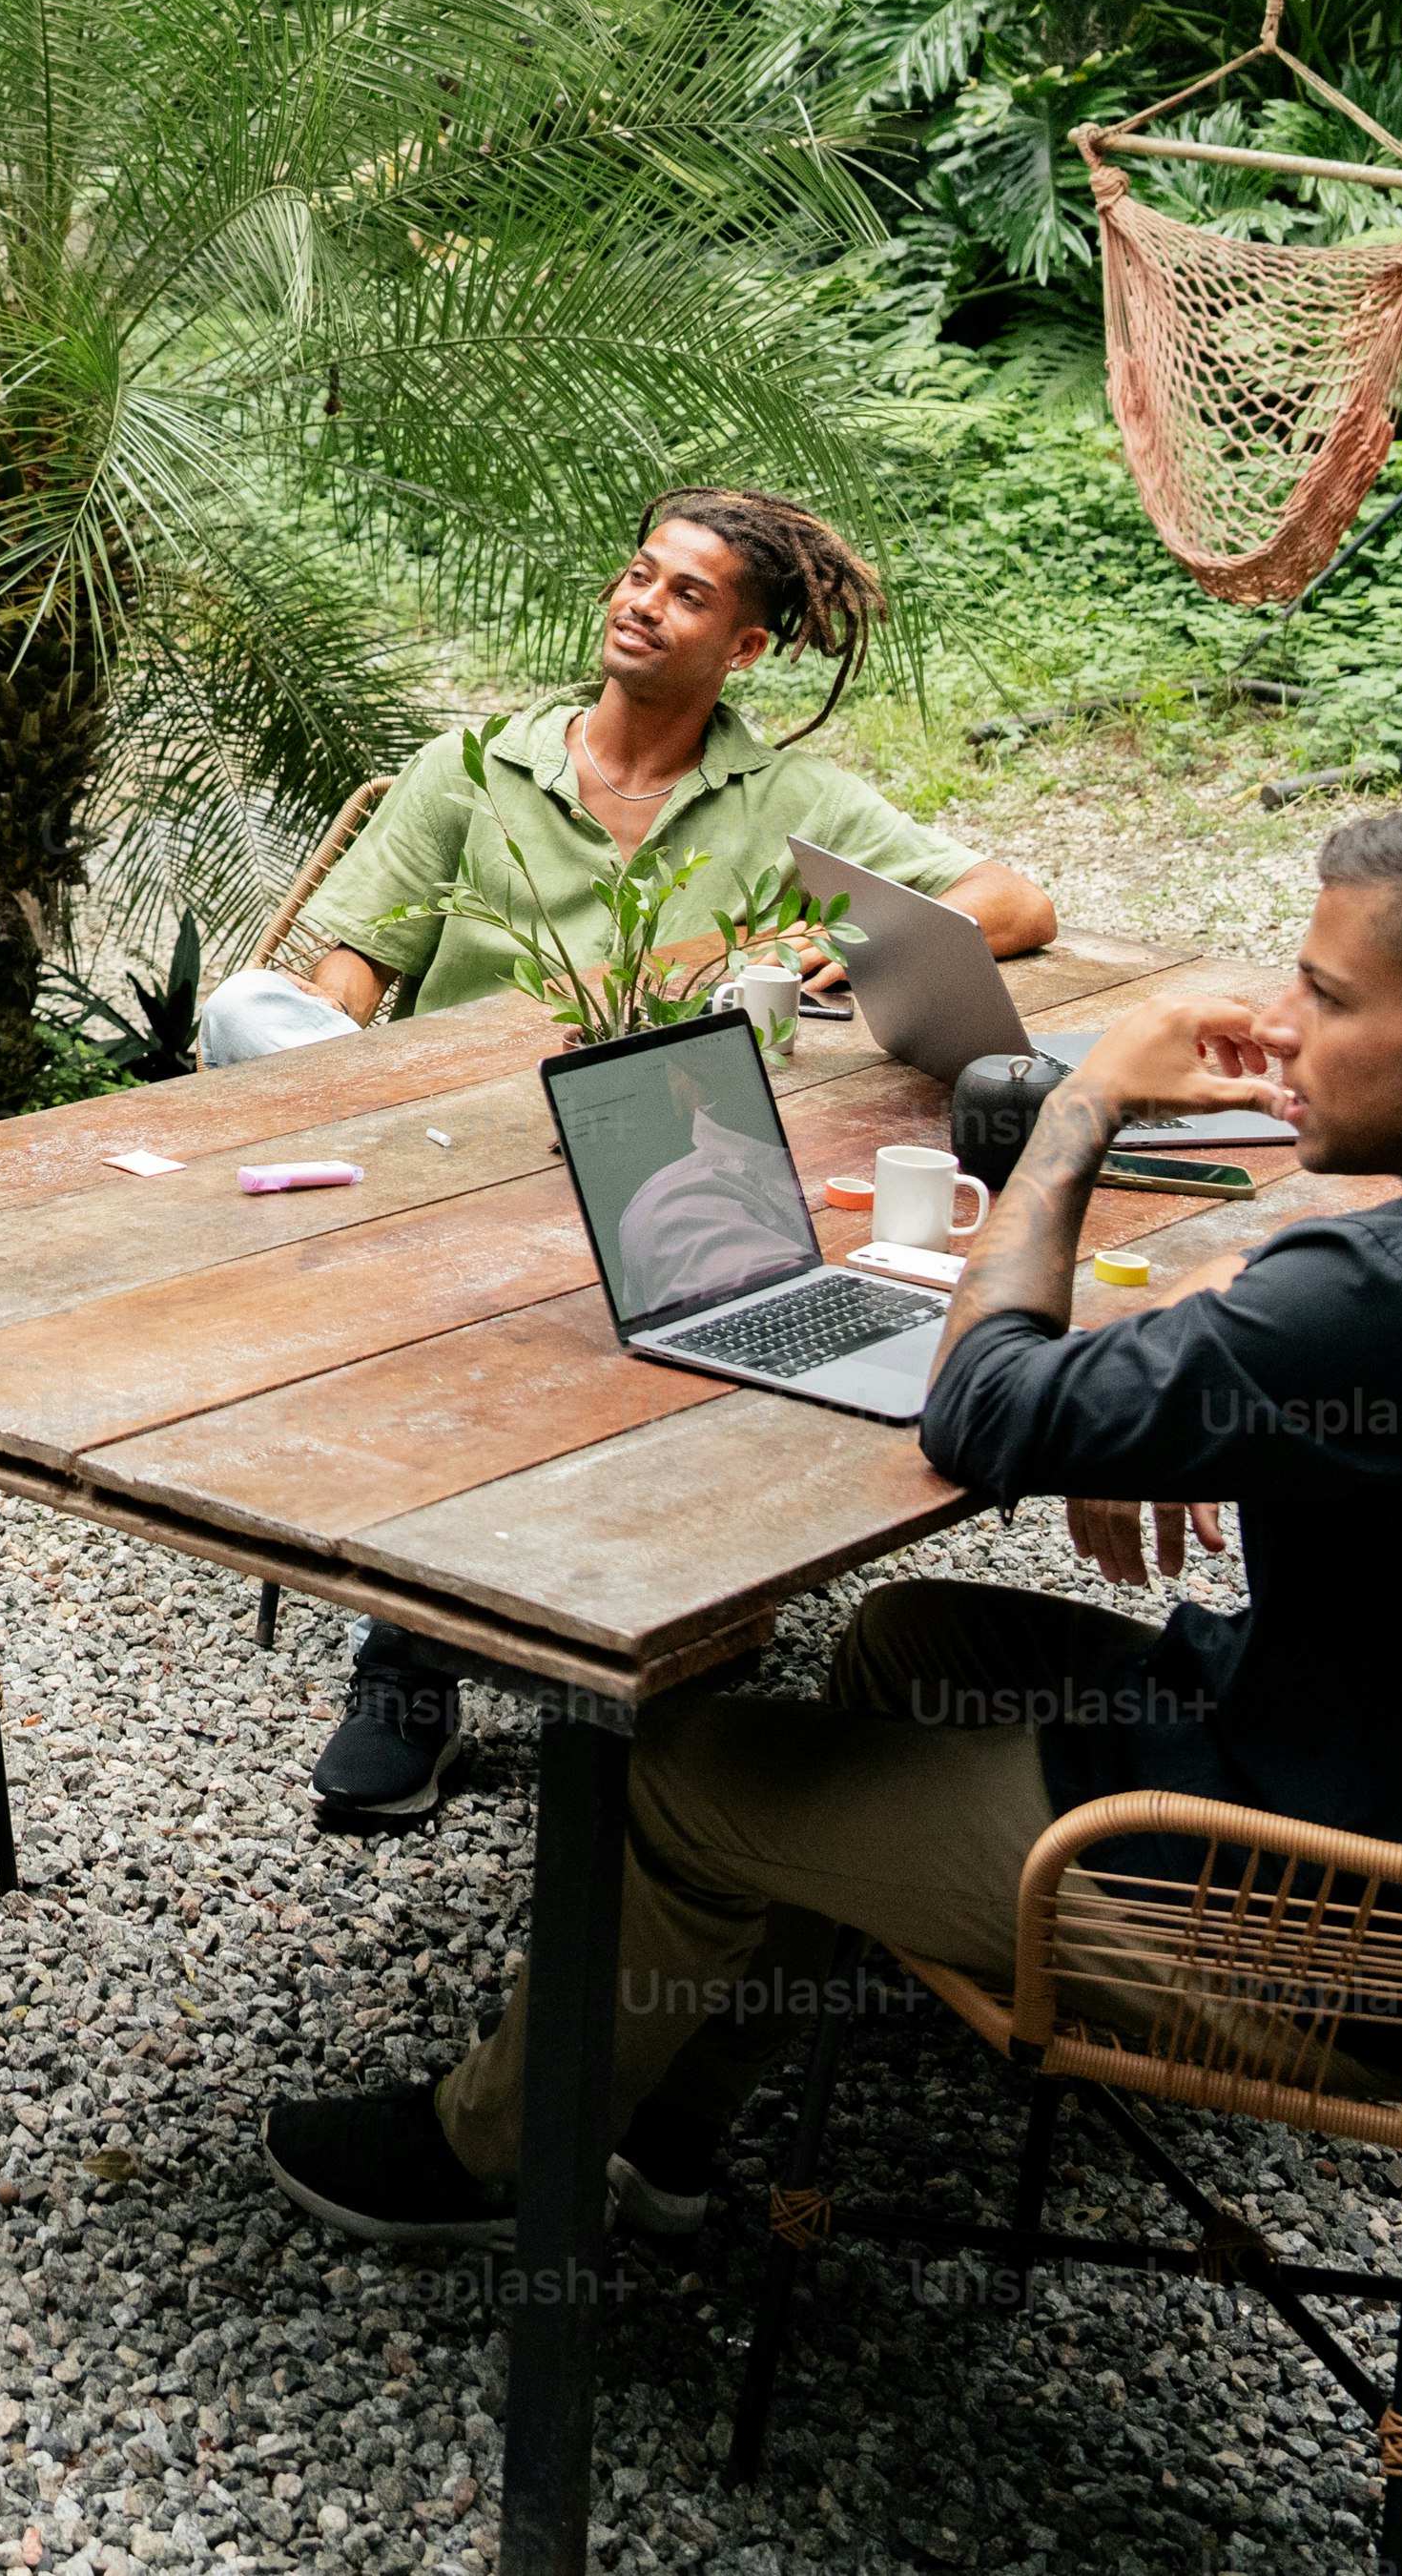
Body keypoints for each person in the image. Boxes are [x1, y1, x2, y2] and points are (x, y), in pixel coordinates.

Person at [258, 811, 1402, 2250]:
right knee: (911, 1640)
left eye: (1326, 997)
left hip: (1343, 1921)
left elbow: (983, 1410)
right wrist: (1224, 1367)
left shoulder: (1387, 1297)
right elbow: (1356, 1346)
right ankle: (665, 2123)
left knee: (681, 1779)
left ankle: (485, 2159)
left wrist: (1075, 1108)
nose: (1287, 1025)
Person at [278, 487, 1061, 1823]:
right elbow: (347, 966)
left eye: (687, 594)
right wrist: (308, 1075)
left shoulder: (785, 797)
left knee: (728, 1296)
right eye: (638, 577)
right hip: (457, 1158)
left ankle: (671, 1618)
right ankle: (407, 1659)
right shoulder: (478, 766)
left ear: (744, 650)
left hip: (685, 1152)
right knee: (485, 1314)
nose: (642, 604)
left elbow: (1015, 898)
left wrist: (843, 938)